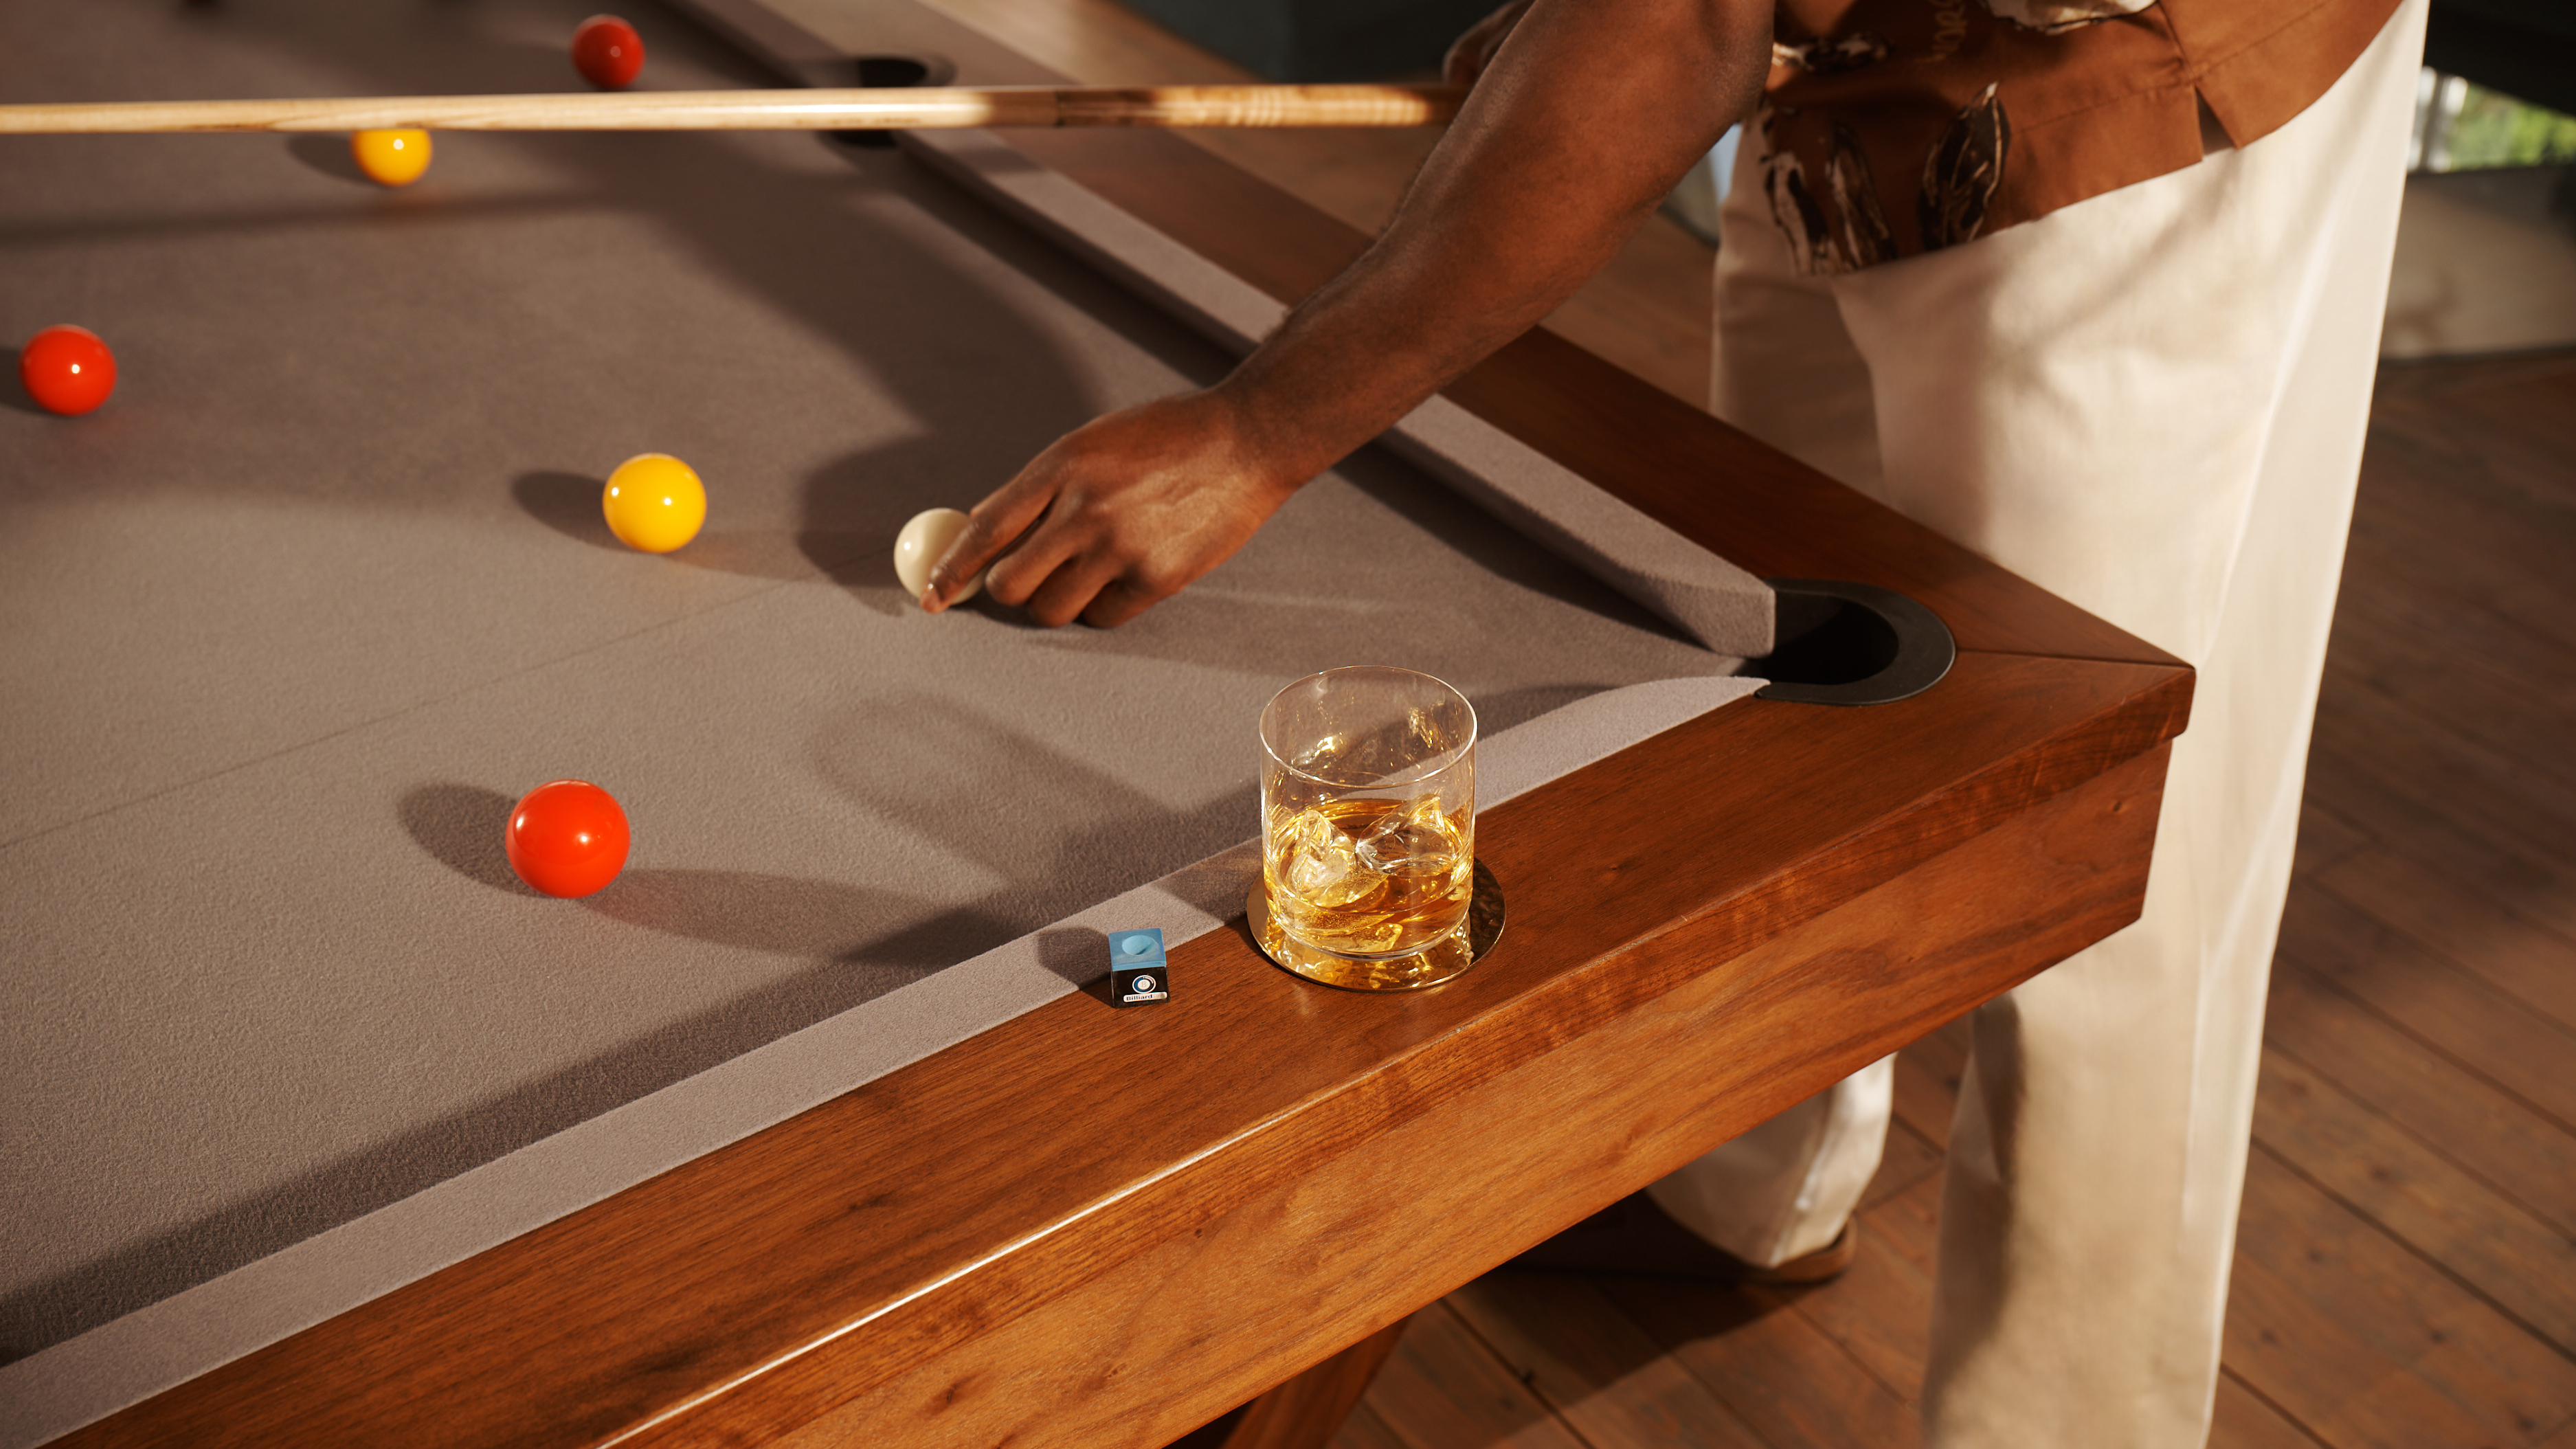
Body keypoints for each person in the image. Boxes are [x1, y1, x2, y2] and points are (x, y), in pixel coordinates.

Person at [923, 0, 2425, 1441]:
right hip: (1856, 67)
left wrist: (1256, 430)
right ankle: (1753, 1188)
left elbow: (1677, 23)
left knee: (2102, 825)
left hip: (2134, 88)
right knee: (1808, 672)